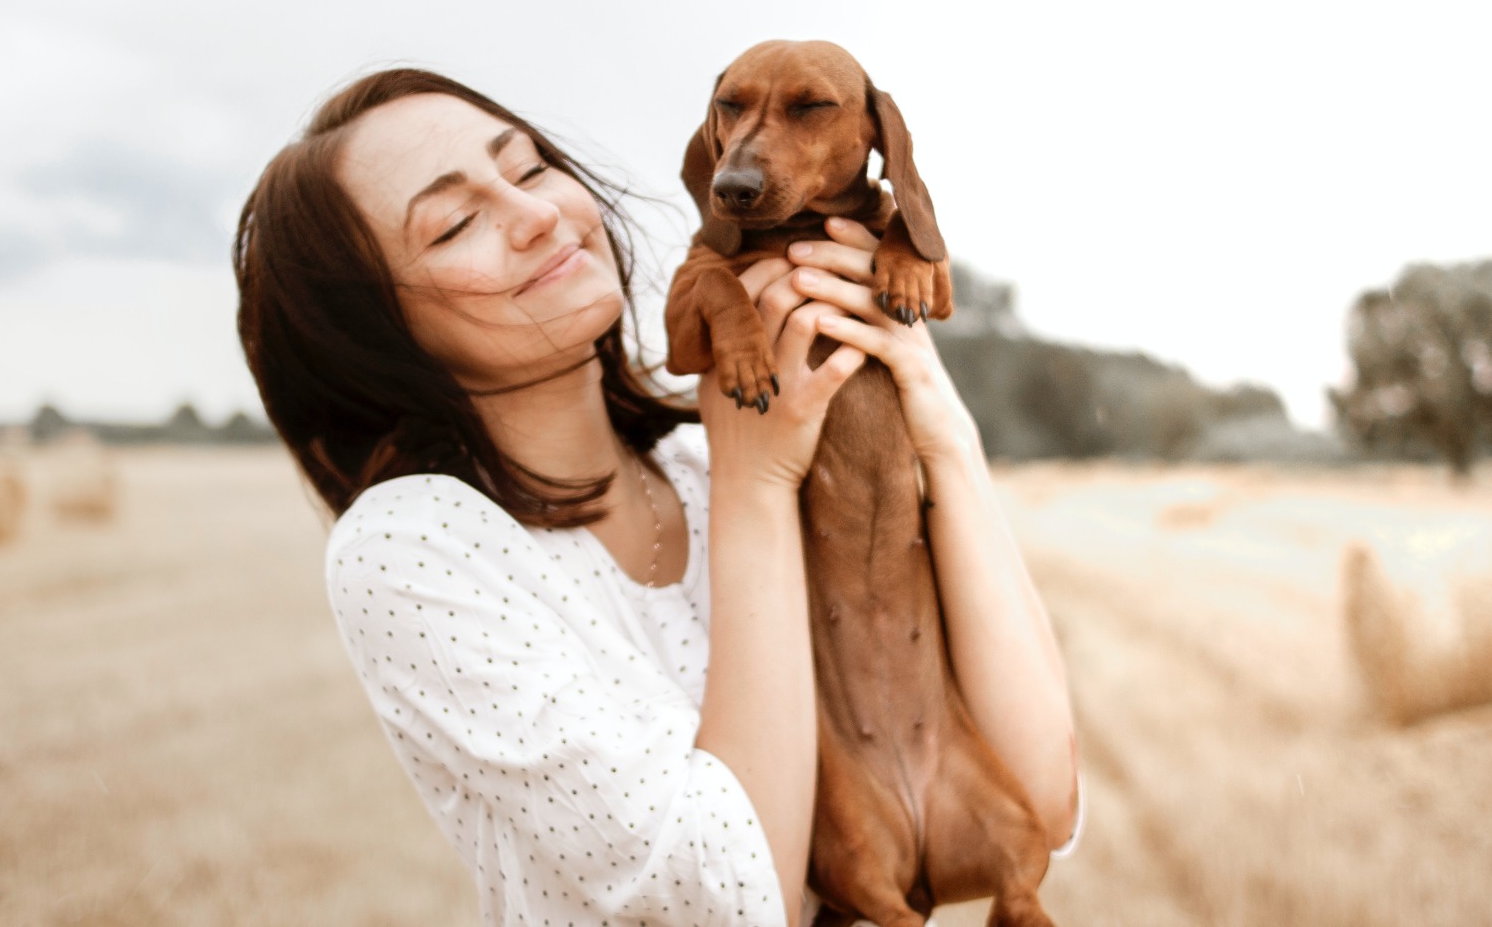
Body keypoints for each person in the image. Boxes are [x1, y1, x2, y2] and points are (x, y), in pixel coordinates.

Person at [233, 68, 1082, 927]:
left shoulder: (703, 455)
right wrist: (757, 489)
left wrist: (941, 426)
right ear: (369, 329)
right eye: (455, 224)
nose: (537, 216)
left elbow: (1042, 804)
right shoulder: (413, 548)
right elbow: (733, 903)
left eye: (528, 170)